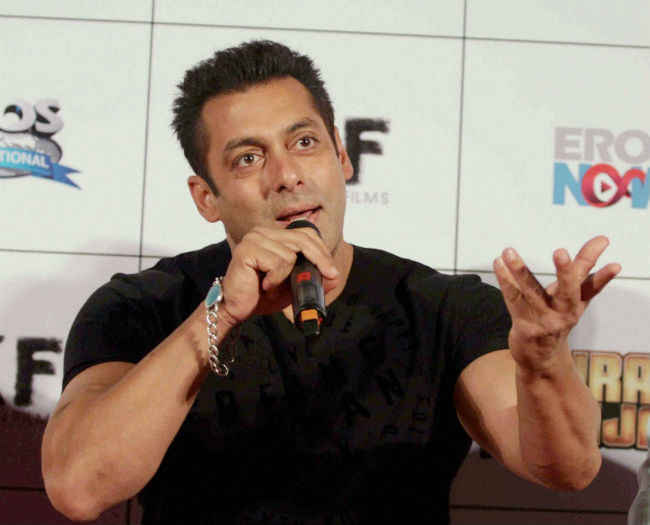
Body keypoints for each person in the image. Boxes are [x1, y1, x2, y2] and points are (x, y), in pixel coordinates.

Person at [41, 40, 620, 524]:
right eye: (248, 158)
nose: (287, 175)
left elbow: (568, 470)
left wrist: (543, 364)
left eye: (304, 142)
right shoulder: (139, 306)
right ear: (205, 198)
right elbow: (78, 487)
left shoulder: (442, 307)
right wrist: (219, 315)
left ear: (342, 156)